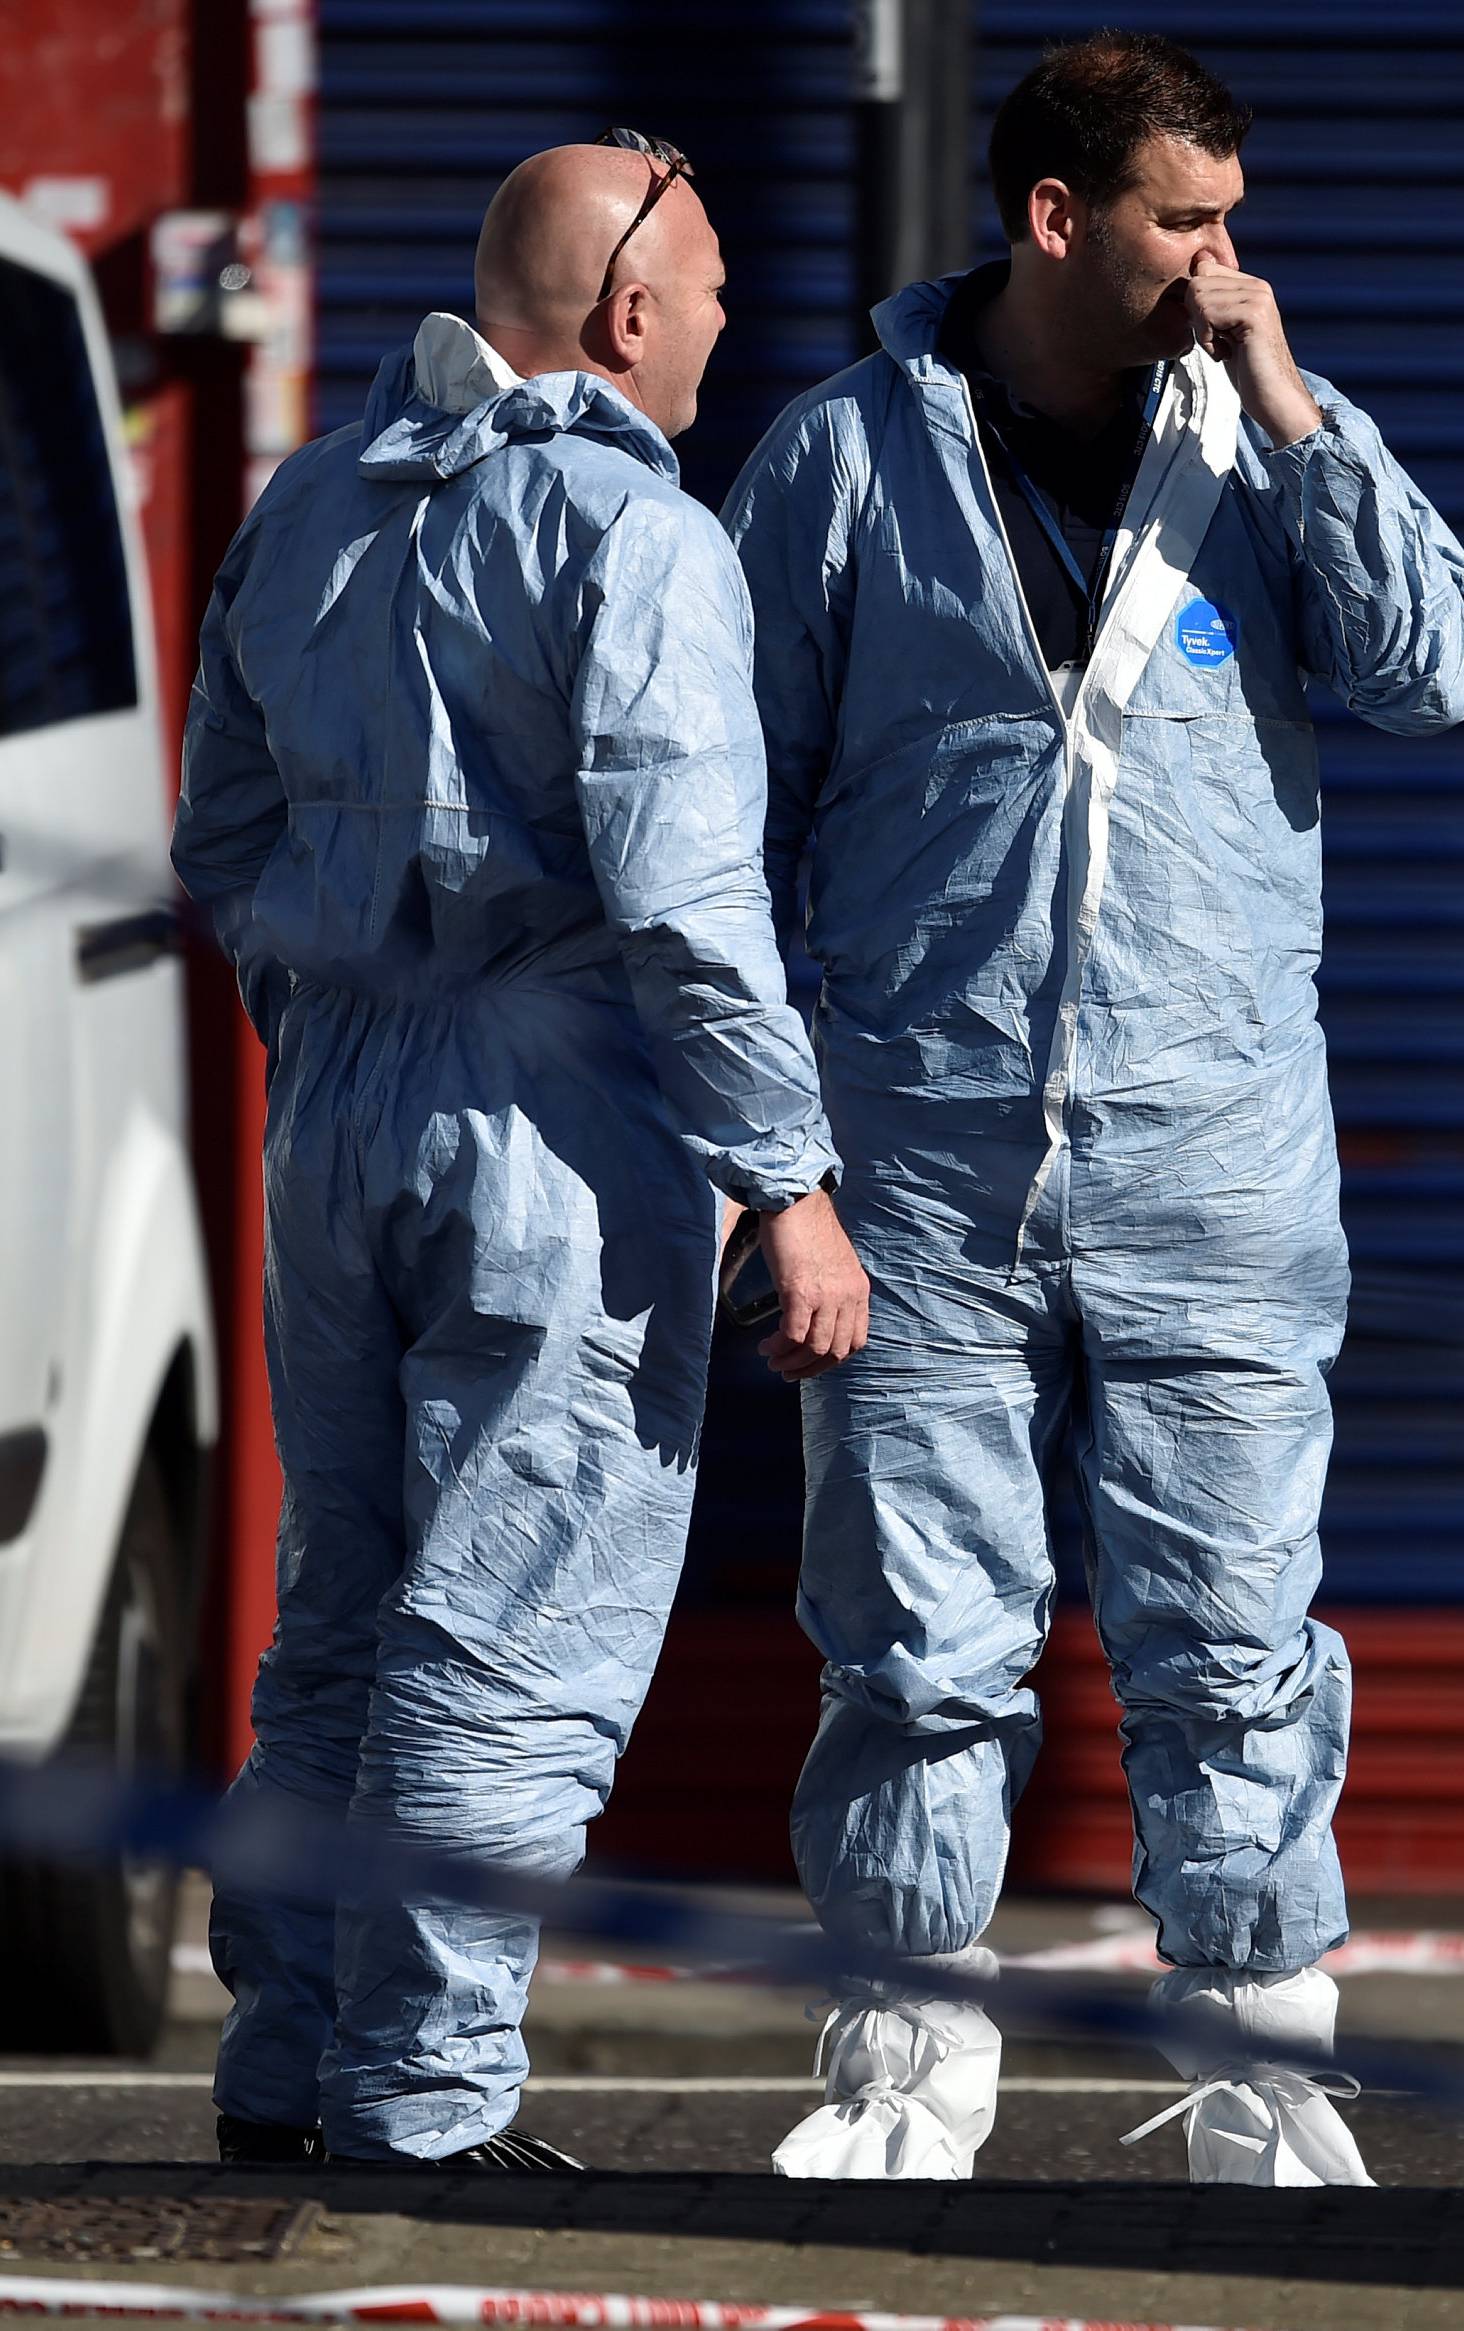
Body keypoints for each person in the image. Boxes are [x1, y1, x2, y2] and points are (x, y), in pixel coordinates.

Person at [724, 33, 1464, 2186]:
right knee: (913, 1641)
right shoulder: (845, 458)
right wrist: (778, 1151)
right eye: (1190, 221)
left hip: (1215, 1157)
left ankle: (1266, 2082)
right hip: (928, 1164)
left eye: (1237, 220)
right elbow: (726, 816)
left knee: (1234, 1642)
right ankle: (905, 2075)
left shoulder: (1259, 437)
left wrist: (1298, 405)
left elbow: (1437, 668)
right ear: (1058, 219)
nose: (1228, 260)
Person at [172, 133, 867, 2169]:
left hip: (341, 1115)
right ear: (628, 314)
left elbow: (220, 826)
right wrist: (795, 1178)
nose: (733, 319)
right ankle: (425, 2096)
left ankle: (287, 2062)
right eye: (718, 286)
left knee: (348, 1608)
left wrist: (334, 1025)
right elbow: (686, 901)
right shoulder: (630, 538)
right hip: (556, 1124)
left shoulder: (309, 500)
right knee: (517, 1617)